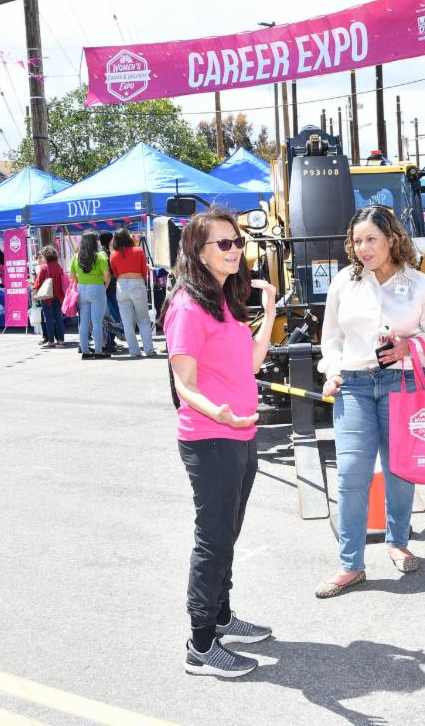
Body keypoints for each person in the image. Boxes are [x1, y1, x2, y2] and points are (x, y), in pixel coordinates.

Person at [315, 205, 425, 598]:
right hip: (354, 385)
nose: (363, 248)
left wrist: (410, 345)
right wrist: (332, 370)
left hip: (403, 384)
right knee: (351, 473)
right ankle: (350, 564)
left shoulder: (419, 284)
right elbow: (331, 338)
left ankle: (398, 541)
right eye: (357, 241)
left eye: (371, 239)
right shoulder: (344, 282)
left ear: (392, 239)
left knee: (401, 469)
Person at [162, 207, 277, 678]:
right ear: (198, 251)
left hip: (240, 434)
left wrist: (268, 317)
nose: (236, 251)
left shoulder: (224, 300)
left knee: (228, 533)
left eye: (237, 242)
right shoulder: (187, 307)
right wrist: (219, 413)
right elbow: (183, 384)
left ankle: (223, 618)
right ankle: (202, 643)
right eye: (224, 244)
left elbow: (250, 364)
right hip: (211, 438)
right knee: (212, 540)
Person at [110, 226, 156, 358]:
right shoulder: (138, 251)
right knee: (143, 319)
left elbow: (116, 273)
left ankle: (134, 351)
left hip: (121, 285)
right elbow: (143, 270)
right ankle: (149, 350)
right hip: (137, 283)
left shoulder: (113, 254)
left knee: (127, 322)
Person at [69, 230, 110, 359]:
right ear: (94, 242)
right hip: (97, 287)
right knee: (97, 323)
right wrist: (105, 286)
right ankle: (98, 351)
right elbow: (107, 275)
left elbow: (71, 276)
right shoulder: (100, 256)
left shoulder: (76, 257)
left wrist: (79, 283)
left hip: (82, 289)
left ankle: (85, 351)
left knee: (84, 323)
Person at [33, 246, 66, 348]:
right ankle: (61, 340)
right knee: (59, 318)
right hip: (59, 295)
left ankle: (51, 340)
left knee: (49, 319)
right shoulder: (59, 266)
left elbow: (38, 283)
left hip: (47, 296)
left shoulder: (44, 267)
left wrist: (34, 294)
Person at [97, 230, 123, 354]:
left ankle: (110, 341)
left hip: (101, 287)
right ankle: (109, 342)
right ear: (110, 240)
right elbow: (111, 273)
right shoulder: (108, 254)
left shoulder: (98, 254)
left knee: (106, 315)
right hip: (110, 287)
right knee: (112, 315)